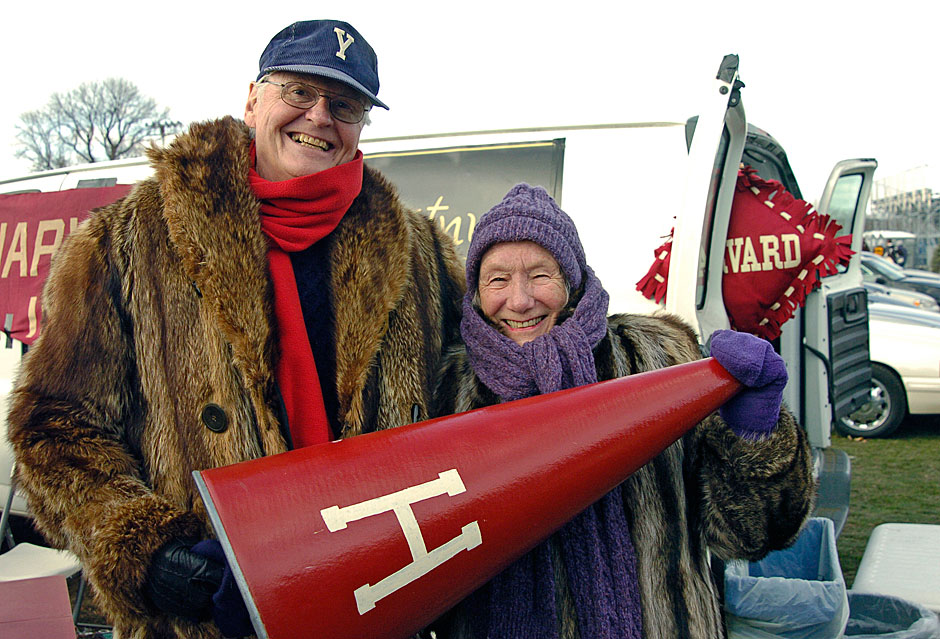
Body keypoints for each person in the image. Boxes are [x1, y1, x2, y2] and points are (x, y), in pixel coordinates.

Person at [7, 20, 464, 639]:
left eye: (346, 104)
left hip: (375, 597)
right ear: (254, 98)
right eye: (299, 92)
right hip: (208, 610)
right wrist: (138, 544)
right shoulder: (127, 241)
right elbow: (54, 423)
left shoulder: (421, 255)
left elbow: (478, 396)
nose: (321, 116)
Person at [429, 184, 815, 639]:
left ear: (571, 282)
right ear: (475, 290)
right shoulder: (445, 392)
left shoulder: (658, 358)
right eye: (497, 279)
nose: (518, 300)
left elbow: (751, 534)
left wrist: (756, 434)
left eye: (540, 275)